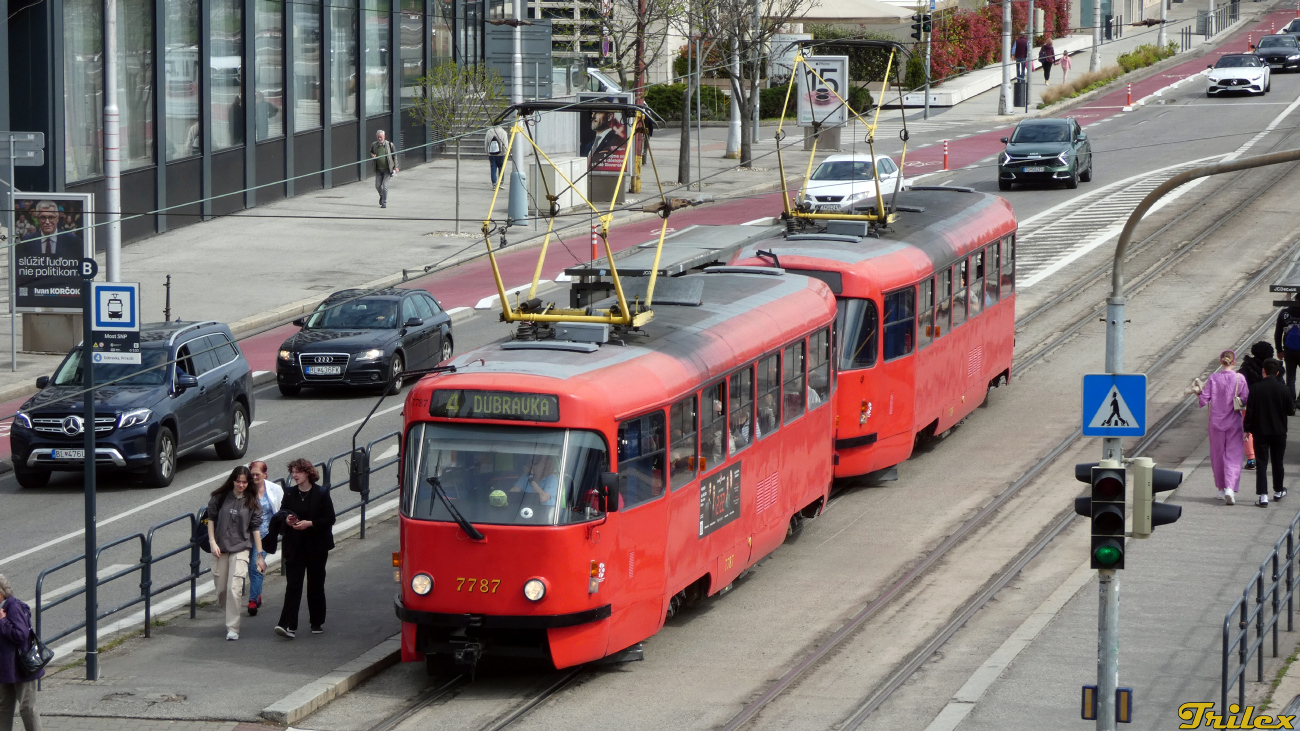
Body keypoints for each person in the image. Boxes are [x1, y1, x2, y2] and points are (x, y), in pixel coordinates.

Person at [275, 458, 336, 639]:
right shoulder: (289, 493)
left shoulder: (321, 493)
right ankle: (287, 624)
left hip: (316, 546)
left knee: (315, 584)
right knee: (293, 585)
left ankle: (316, 622)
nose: (294, 475)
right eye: (293, 472)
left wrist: (310, 523)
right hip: (295, 545)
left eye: (298, 472)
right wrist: (287, 520)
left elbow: (330, 518)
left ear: (308, 473)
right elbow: (283, 513)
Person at [206, 466, 266, 641]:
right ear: (232, 480)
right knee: (222, 590)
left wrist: (260, 555)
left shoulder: (252, 501)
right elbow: (211, 519)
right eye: (238, 481)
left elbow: (256, 529)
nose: (241, 485)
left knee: (235, 588)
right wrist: (212, 542)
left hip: (241, 548)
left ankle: (232, 628)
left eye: (244, 482)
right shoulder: (220, 497)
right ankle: (229, 612)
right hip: (221, 548)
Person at [1192, 349, 1249, 505]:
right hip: (1234, 423)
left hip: (1216, 422)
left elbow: (1204, 400)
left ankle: (1220, 488)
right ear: (1234, 362)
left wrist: (1198, 392)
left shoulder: (1213, 378)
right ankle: (1230, 487)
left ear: (1220, 361)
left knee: (1217, 455)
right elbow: (1245, 399)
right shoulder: (1240, 378)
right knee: (1234, 456)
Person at [1244, 358, 1293, 507]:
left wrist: (1247, 429)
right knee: (1278, 462)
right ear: (1277, 373)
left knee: (1261, 463)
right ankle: (1278, 490)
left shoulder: (1255, 388)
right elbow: (1290, 411)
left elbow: (1250, 411)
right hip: (1279, 431)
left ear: (1263, 371)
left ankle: (1263, 496)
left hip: (1260, 431)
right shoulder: (1284, 389)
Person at [0, 573, 42, 731]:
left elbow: (21, 635)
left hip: (21, 666)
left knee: (27, 708)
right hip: (5, 668)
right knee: (3, 707)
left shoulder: (14, 607)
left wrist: (3, 621)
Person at [247, 460, 284, 617]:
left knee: (255, 565)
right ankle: (257, 592)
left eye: (257, 474)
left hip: (265, 534)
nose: (254, 477)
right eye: (252, 475)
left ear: (265, 474)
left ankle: (253, 600)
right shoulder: (245, 489)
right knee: (248, 566)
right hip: (246, 535)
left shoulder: (275, 489)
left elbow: (281, 509)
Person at [1240, 341, 1275, 470]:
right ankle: (1263, 455)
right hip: (1268, 404)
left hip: (1249, 402)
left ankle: (1251, 459)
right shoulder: (1272, 367)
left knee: (1248, 430)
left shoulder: (1247, 366)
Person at [17, 201, 82, 260]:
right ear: (37, 219)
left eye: (51, 217)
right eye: (43, 217)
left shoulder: (72, 240)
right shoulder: (27, 241)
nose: (47, 222)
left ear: (57, 219)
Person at [1273, 295, 1300, 406]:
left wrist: (1279, 349)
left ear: (1295, 298)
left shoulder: (1285, 313)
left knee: (1290, 377)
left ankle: (1291, 402)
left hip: (1289, 350)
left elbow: (1278, 333)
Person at [369, 130, 398, 209]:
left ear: (384, 137)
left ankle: (384, 202)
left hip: (387, 169)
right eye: (378, 137)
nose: (379, 138)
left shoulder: (390, 145)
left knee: (385, 186)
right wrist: (372, 156)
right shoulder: (374, 145)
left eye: (381, 137)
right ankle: (382, 196)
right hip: (378, 169)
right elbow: (371, 152)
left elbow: (394, 155)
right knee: (378, 185)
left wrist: (396, 166)